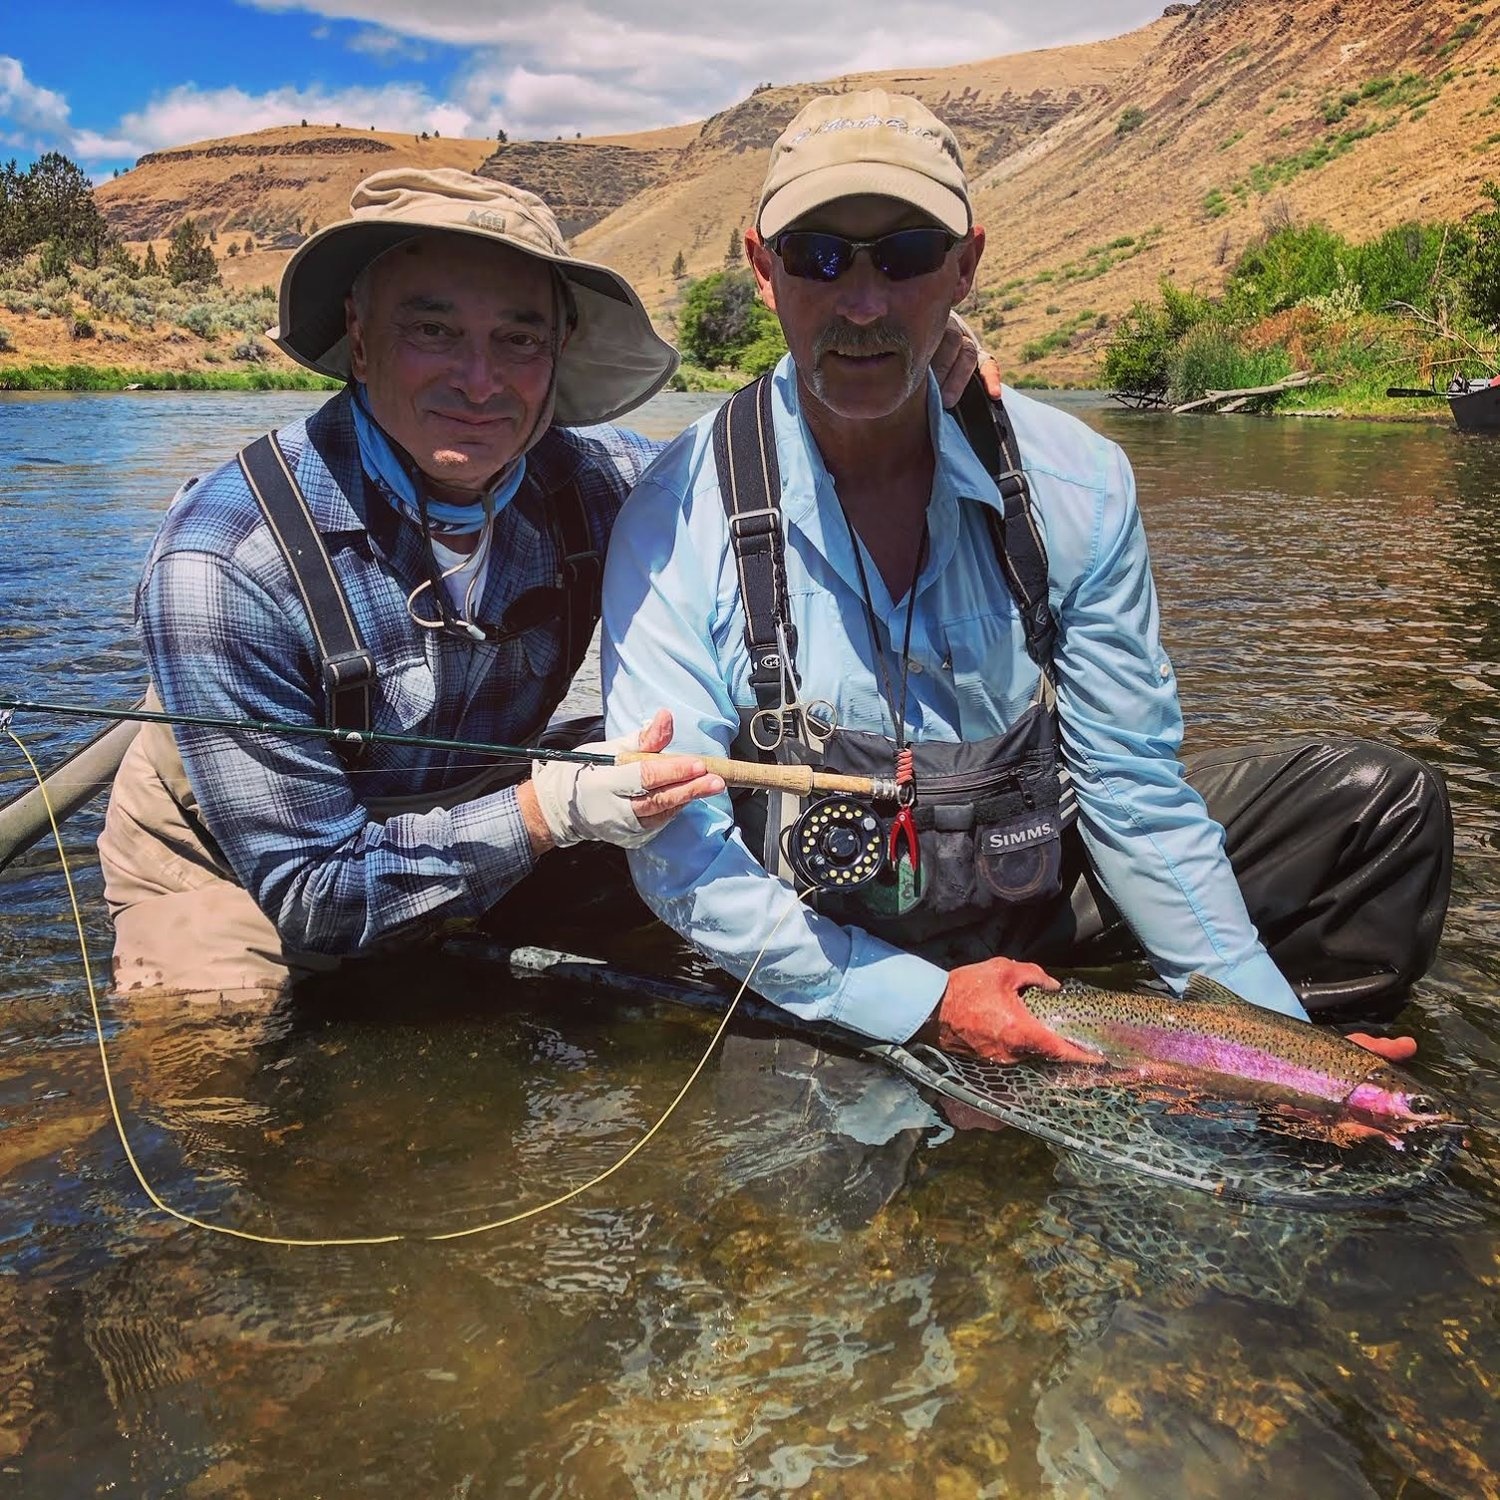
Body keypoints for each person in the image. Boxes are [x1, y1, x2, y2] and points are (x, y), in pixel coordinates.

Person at [600, 91, 1452, 1067]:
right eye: (820, 254)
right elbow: (677, 854)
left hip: (1031, 894)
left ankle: (1260, 1103)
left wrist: (1269, 1050)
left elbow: (1129, 791)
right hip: (821, 957)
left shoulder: (1074, 483)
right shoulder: (676, 514)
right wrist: (918, 1004)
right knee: (816, 1211)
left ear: (966, 265)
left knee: (1382, 806)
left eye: (910, 253)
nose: (864, 301)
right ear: (763, 268)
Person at [99, 167, 991, 996]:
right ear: (360, 340)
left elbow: (765, 462)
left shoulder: (602, 483)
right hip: (240, 861)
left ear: (558, 358)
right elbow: (316, 891)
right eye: (433, 330)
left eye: (517, 339)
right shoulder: (223, 565)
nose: (480, 381)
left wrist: (903, 361)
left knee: (683, 929)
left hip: (487, 804)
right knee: (220, 1049)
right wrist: (550, 811)